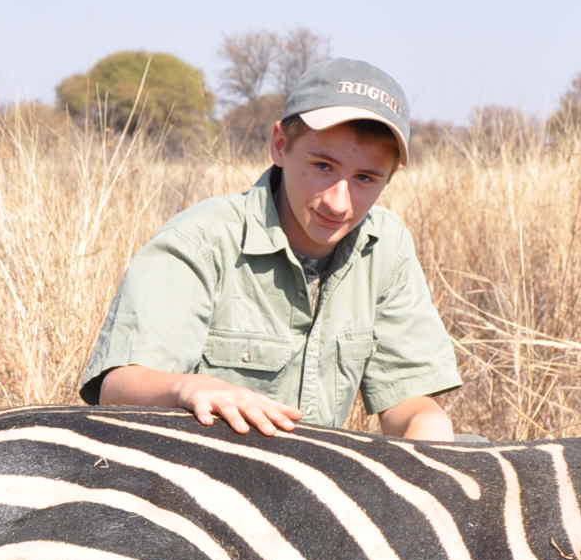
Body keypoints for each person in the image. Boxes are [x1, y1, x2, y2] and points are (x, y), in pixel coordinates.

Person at [79, 58, 461, 440]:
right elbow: (119, 386)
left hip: (321, 481)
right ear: (280, 145)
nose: (339, 203)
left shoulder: (387, 247)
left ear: (390, 177)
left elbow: (408, 403)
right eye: (323, 166)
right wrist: (188, 389)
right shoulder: (201, 238)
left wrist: (430, 427)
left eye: (365, 178)